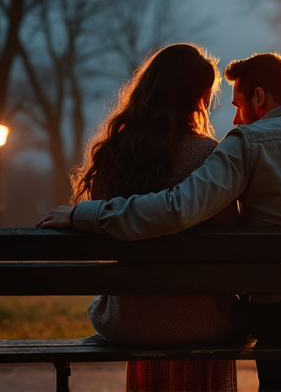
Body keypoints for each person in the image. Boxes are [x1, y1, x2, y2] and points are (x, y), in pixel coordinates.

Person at [39, 52, 281, 392]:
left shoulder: (246, 143)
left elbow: (178, 208)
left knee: (270, 315)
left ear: (259, 96)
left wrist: (87, 213)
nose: (236, 119)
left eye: (238, 106)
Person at [57, 43, 240, 392]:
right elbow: (227, 228)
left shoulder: (114, 155)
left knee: (149, 319)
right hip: (205, 321)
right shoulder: (206, 156)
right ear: (199, 96)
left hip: (129, 321)